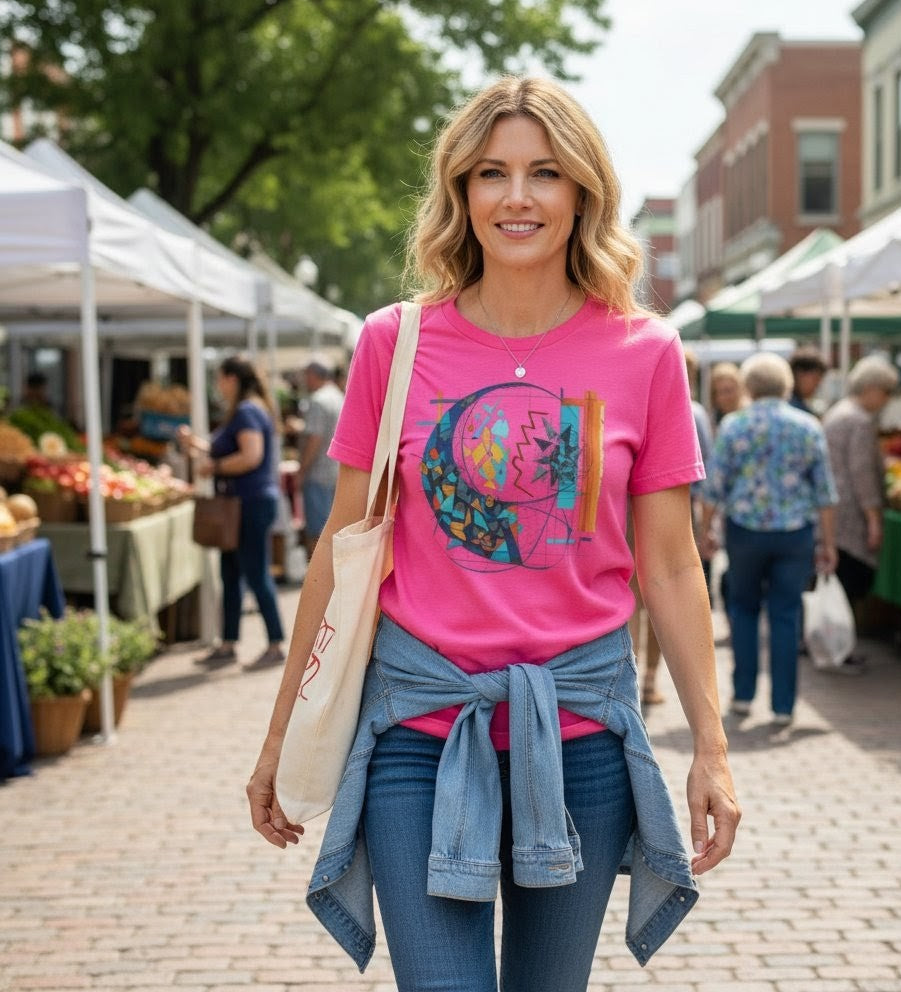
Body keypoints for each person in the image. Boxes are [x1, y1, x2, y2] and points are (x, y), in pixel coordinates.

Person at [245, 76, 740, 991]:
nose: (517, 198)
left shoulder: (646, 352)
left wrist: (710, 749)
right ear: (460, 193)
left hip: (581, 737)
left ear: (582, 191)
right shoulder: (393, 343)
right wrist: (279, 737)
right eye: (491, 174)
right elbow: (339, 554)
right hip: (420, 733)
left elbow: (671, 566)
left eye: (545, 173)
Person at [700, 352, 839, 727]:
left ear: (748, 386)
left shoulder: (733, 425)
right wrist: (828, 543)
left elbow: (714, 486)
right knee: (785, 614)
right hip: (795, 533)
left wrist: (705, 530)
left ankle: (743, 695)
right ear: (787, 385)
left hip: (746, 530)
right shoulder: (808, 425)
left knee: (743, 610)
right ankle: (783, 704)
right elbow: (825, 492)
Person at [178, 356, 287, 671]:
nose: (217, 386)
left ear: (231, 379)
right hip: (241, 504)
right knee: (231, 574)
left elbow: (251, 456)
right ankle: (228, 643)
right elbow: (233, 450)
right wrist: (198, 447)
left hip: (248, 504)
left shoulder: (247, 410)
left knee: (255, 574)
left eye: (220, 379)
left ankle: (275, 643)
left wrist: (215, 466)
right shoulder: (249, 410)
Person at [633, 346, 713, 705]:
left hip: (629, 515)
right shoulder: (695, 413)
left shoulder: (637, 396)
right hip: (677, 510)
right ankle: (649, 679)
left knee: (634, 601)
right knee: (661, 598)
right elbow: (704, 467)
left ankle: (632, 676)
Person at [822, 355, 900, 647]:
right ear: (871, 388)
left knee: (839, 581)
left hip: (833, 511)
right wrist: (873, 520)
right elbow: (862, 473)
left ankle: (835, 643)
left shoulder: (838, 413)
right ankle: (841, 645)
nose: (887, 399)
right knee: (849, 583)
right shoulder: (859, 421)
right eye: (886, 391)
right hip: (849, 515)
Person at [295, 357, 346, 554]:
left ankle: (317, 581)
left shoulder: (318, 400)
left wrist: (302, 470)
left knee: (317, 532)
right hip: (336, 472)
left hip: (318, 474)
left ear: (313, 374)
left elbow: (314, 439)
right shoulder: (337, 396)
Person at [788, 345, 827, 416]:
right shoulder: (793, 409)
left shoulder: (798, 405)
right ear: (799, 374)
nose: (818, 385)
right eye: (815, 379)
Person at [709, 360, 747, 425]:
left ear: (740, 389)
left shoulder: (748, 415)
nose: (722, 397)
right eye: (718, 392)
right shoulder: (712, 419)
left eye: (728, 391)